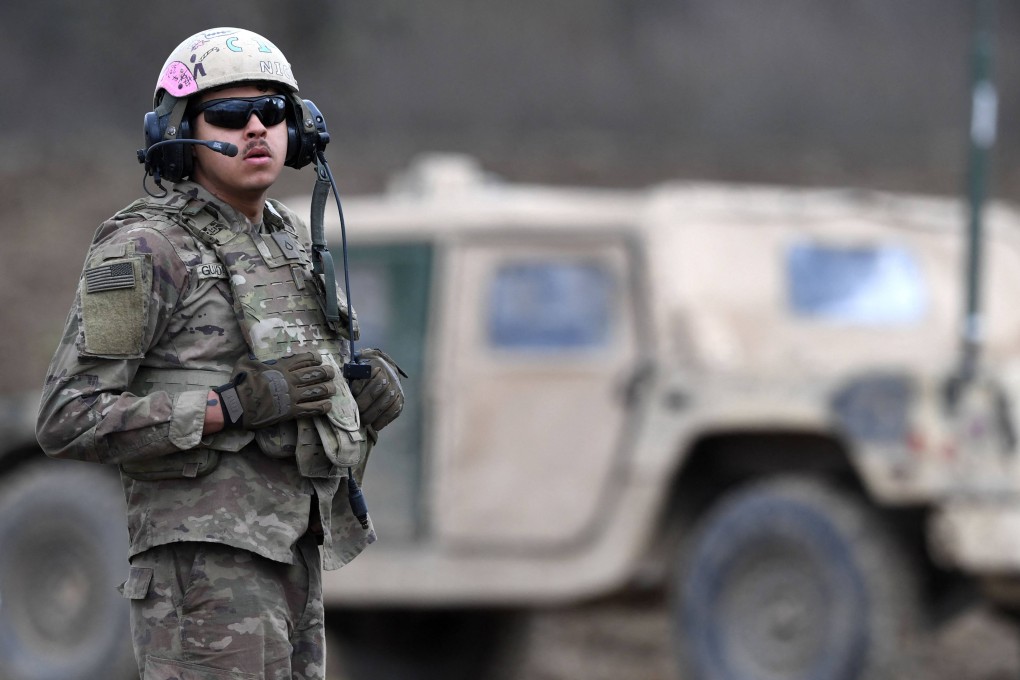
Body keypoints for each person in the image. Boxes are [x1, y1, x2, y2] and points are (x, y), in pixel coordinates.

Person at [35, 27, 404, 680]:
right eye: (232, 114)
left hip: (293, 553)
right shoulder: (142, 251)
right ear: (180, 130)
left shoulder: (288, 241)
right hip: (200, 572)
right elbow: (69, 414)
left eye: (275, 112)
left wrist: (361, 393)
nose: (258, 128)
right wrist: (229, 407)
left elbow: (299, 388)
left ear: (303, 130)